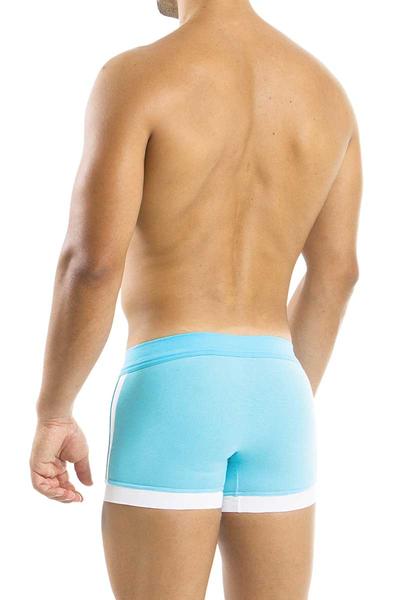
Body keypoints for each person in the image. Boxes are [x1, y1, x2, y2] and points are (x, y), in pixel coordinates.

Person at [29, 0, 362, 598]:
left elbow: (91, 263)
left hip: (173, 385)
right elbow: (337, 274)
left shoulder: (137, 77)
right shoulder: (328, 94)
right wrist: (268, 398)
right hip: (280, 392)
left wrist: (54, 410)